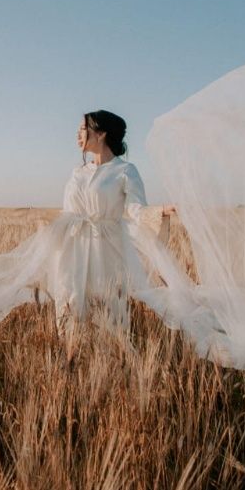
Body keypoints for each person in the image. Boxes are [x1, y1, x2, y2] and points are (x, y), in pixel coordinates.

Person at [49, 109, 175, 343]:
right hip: (74, 249)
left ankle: (112, 362)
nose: (78, 134)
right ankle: (75, 361)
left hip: (106, 250)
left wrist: (160, 211)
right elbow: (68, 212)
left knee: (108, 307)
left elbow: (136, 209)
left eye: (83, 129)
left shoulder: (125, 171)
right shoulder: (78, 172)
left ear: (101, 134)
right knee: (72, 303)